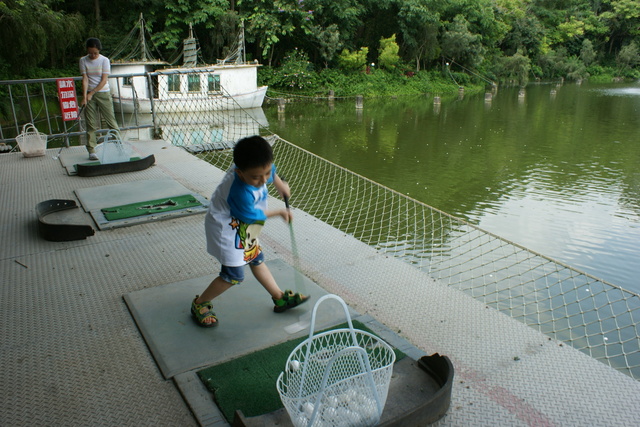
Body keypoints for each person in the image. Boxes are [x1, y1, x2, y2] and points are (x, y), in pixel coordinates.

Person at [192, 136, 309, 327]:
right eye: (256, 177)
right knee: (233, 275)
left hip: (242, 224)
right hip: (227, 228)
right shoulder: (239, 191)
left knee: (256, 258)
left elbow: (269, 171)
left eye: (267, 173)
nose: (263, 180)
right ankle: (200, 303)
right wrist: (280, 211)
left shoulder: (256, 168)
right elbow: (251, 216)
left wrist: (280, 185)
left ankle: (279, 298)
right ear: (239, 172)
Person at [79, 37, 119, 160]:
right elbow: (85, 79)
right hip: (89, 94)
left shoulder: (104, 60)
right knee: (91, 123)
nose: (92, 55)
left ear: (99, 50)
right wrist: (85, 96)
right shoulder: (83, 60)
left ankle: (119, 146)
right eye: (90, 52)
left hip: (103, 93)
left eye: (95, 53)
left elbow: (104, 80)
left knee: (111, 121)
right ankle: (92, 150)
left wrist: (92, 93)